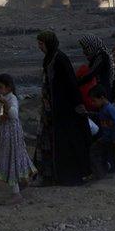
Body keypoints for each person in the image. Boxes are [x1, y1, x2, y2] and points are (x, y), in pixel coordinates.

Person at [34, 30, 92, 186]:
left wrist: (77, 106)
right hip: (50, 109)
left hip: (64, 110)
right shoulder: (49, 59)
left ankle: (64, 175)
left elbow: (71, 84)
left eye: (41, 43)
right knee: (46, 141)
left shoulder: (60, 59)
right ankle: (47, 175)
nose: (39, 47)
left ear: (49, 43)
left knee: (65, 143)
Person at [0, 74, 37, 205]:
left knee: (11, 160)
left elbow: (13, 115)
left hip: (12, 134)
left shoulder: (12, 99)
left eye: (0, 87)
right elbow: (0, 116)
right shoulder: (2, 99)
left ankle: (16, 194)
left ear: (8, 87)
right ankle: (23, 181)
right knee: (12, 158)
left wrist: (5, 104)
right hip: (5, 133)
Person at [87, 85, 115, 185]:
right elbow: (100, 117)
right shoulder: (103, 109)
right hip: (107, 137)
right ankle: (98, 173)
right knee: (94, 149)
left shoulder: (110, 109)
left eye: (94, 101)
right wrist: (87, 113)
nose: (93, 103)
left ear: (102, 98)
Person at [77, 34, 114, 102]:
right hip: (99, 91)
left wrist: (77, 83)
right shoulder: (96, 56)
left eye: (86, 48)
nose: (84, 52)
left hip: (103, 92)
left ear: (92, 46)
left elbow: (91, 73)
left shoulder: (101, 56)